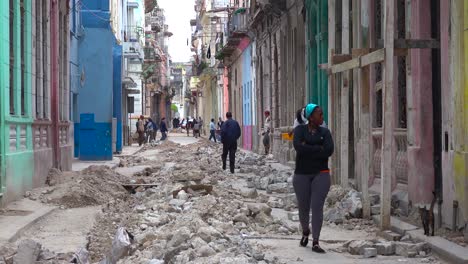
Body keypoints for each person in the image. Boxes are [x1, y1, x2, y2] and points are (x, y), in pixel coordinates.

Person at [293, 103, 334, 253]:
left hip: (321, 173)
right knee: (303, 208)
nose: (322, 117)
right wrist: (318, 147)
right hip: (301, 174)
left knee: (317, 207)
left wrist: (308, 147)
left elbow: (329, 150)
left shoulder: (326, 132)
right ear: (311, 117)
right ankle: (305, 231)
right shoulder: (299, 130)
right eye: (319, 114)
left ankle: (316, 241)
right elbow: (298, 146)